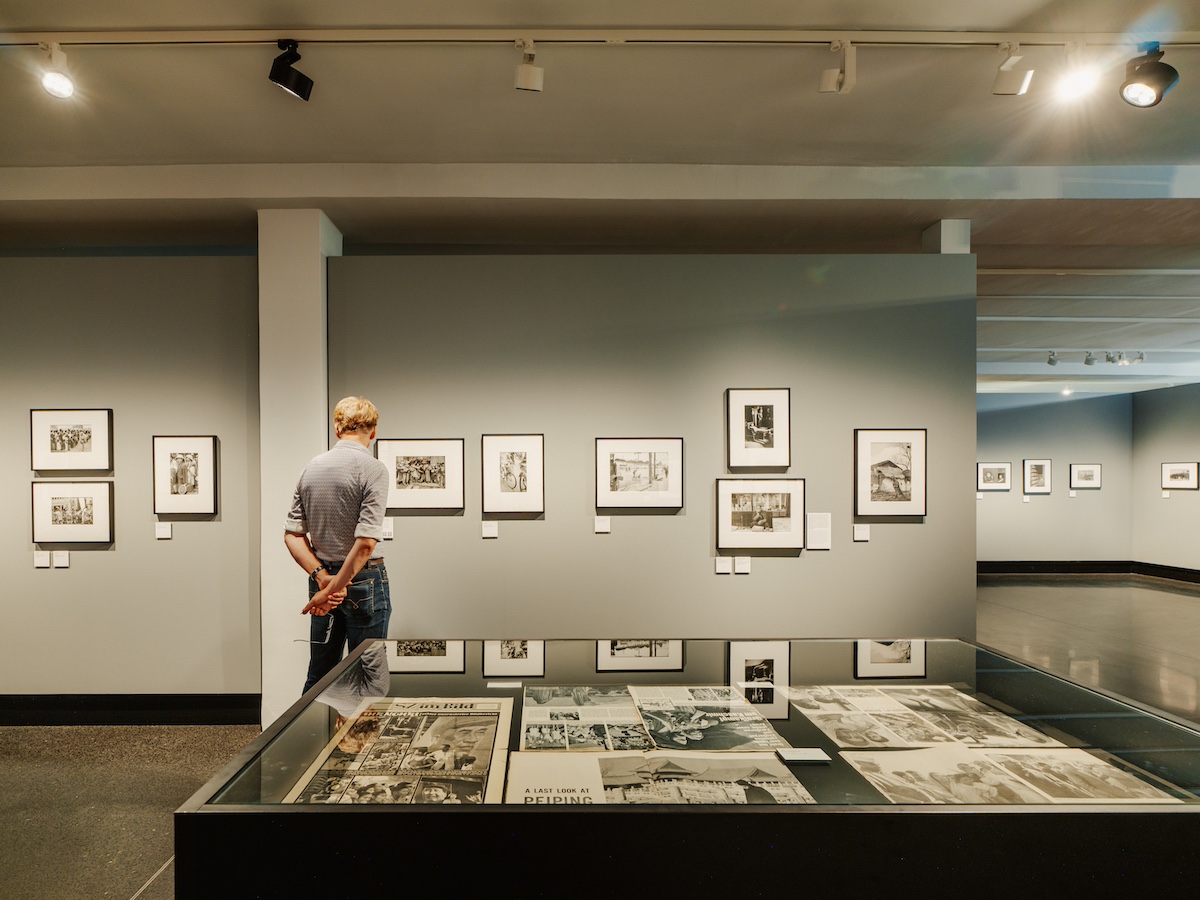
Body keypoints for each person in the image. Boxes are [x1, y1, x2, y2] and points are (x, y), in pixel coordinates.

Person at [285, 395, 391, 694]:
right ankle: (359, 729)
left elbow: (292, 535)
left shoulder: (311, 468)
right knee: (369, 676)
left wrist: (324, 581)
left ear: (337, 428)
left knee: (320, 674)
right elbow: (366, 543)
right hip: (363, 580)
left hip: (322, 580)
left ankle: (311, 727)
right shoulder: (373, 469)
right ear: (373, 431)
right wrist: (337, 587)